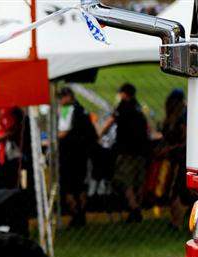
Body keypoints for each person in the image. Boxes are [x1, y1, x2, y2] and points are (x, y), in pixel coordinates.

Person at [100, 82, 150, 222]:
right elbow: (146, 126)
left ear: (124, 94)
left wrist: (98, 135)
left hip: (127, 149)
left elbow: (110, 122)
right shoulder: (138, 106)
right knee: (138, 181)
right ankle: (138, 206)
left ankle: (134, 208)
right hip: (141, 149)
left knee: (124, 180)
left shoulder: (123, 106)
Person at [57, 86, 97, 228]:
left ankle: (76, 215)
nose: (59, 101)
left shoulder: (67, 110)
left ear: (68, 97)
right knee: (81, 186)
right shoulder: (82, 110)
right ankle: (82, 214)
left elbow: (62, 133)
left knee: (68, 187)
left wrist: (53, 139)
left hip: (68, 154)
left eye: (61, 98)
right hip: (82, 154)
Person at [157, 88, 191, 229]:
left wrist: (170, 149)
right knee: (175, 191)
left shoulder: (183, 116)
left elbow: (187, 140)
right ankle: (176, 221)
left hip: (183, 159)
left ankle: (177, 222)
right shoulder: (176, 116)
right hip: (177, 159)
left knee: (177, 192)